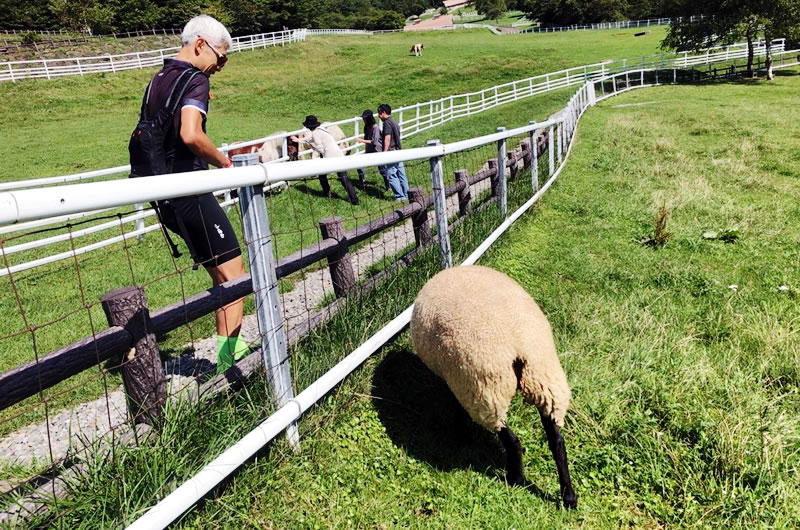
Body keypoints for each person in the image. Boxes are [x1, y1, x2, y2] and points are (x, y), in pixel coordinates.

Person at [134, 15, 249, 374]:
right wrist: (225, 164)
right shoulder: (194, 78)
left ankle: (229, 354)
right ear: (200, 44)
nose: (220, 66)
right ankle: (232, 365)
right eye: (221, 56)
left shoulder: (158, 78)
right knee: (236, 277)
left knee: (221, 277)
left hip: (163, 194)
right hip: (188, 190)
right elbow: (190, 135)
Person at [291, 115, 360, 205]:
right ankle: (354, 200)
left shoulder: (315, 133)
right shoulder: (321, 130)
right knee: (343, 178)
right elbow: (310, 138)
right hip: (338, 155)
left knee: (323, 175)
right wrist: (299, 140)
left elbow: (320, 149)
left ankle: (327, 193)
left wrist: (312, 147)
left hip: (330, 158)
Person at [377, 103, 409, 201]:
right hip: (398, 150)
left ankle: (400, 197)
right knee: (401, 173)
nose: (378, 116)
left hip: (391, 151)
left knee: (392, 174)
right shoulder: (394, 122)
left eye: (379, 113)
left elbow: (387, 137)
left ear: (383, 113)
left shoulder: (386, 123)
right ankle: (407, 194)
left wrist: (385, 152)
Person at [355, 109, 390, 190]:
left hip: (377, 151)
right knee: (358, 164)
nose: (363, 120)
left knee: (382, 169)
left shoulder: (375, 128)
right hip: (370, 151)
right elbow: (367, 139)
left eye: (365, 118)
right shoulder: (366, 127)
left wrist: (361, 141)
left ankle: (388, 185)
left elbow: (374, 142)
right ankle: (362, 181)